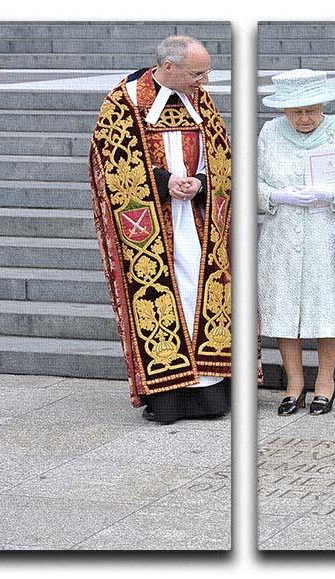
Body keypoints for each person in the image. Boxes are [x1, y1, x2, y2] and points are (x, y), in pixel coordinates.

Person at [90, 35, 252, 424]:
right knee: (164, 297)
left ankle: (210, 386)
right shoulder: (125, 100)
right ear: (168, 68)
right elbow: (108, 161)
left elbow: (221, 153)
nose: (206, 80)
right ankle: (166, 395)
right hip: (149, 223)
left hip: (197, 220)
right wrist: (162, 183)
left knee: (202, 292)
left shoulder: (198, 98)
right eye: (198, 72)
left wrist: (200, 181)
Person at [258, 69, 335, 415]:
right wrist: (277, 195)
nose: (305, 118)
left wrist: (332, 195)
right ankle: (293, 383)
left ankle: (325, 381)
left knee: (327, 308)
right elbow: (250, 183)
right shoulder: (270, 132)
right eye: (296, 111)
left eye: (312, 109)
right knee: (285, 308)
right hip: (281, 236)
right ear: (283, 110)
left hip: (327, 236)